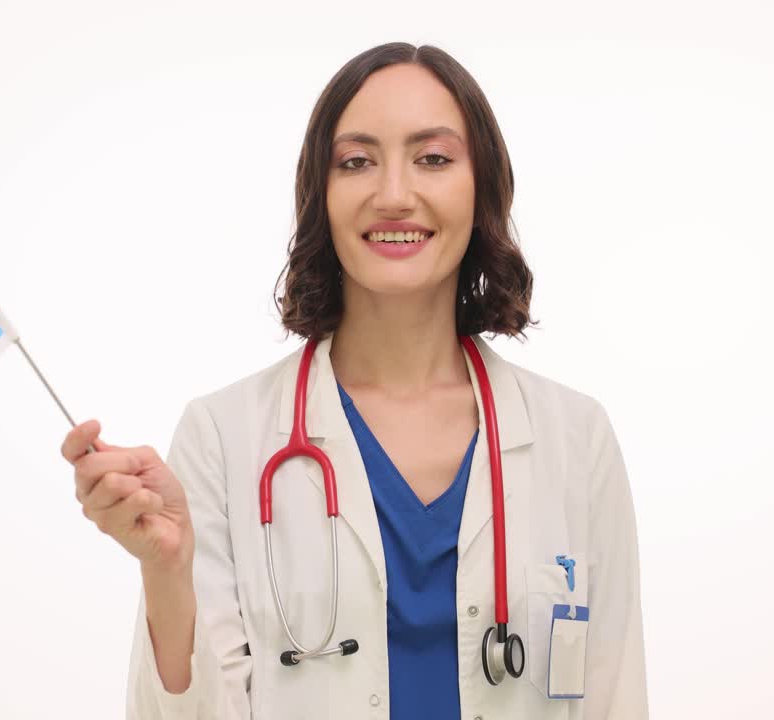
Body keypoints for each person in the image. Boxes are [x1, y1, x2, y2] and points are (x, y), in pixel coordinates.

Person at [60, 42, 648, 719]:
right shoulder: (226, 437)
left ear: (482, 186)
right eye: (357, 162)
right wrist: (166, 573)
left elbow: (615, 694)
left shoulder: (575, 439)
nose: (394, 196)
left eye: (433, 158)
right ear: (321, 194)